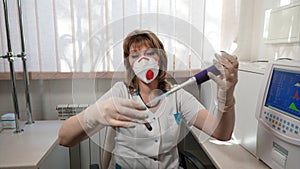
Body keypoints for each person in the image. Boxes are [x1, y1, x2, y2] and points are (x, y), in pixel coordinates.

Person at [58, 29, 239, 168]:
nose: (143, 59)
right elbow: (65, 138)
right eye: (135, 55)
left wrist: (226, 99)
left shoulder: (178, 95)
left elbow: (222, 134)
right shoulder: (120, 92)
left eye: (150, 53)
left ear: (159, 60)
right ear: (129, 63)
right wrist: (95, 114)